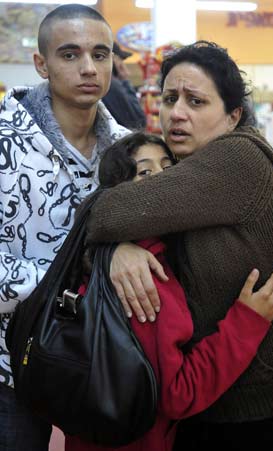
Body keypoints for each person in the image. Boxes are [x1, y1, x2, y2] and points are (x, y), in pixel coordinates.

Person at [84, 41, 273, 449]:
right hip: (211, 396)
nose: (176, 113)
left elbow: (106, 214)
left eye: (196, 101)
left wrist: (109, 242)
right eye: (169, 98)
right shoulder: (186, 166)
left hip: (259, 409)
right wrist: (116, 251)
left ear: (233, 115)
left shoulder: (238, 159)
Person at [66, 131, 273, 451]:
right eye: (145, 172)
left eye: (170, 169)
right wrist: (248, 321)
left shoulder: (146, 255)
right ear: (119, 195)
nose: (164, 182)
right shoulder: (143, 280)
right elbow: (178, 395)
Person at [0, 4, 143, 450]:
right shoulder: (5, 143)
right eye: (70, 54)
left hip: (98, 360)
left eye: (100, 54)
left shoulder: (128, 150)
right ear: (41, 63)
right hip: (9, 362)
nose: (88, 68)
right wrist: (67, 285)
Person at [102, 42, 147, 130]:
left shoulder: (109, 83)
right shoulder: (111, 85)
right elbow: (139, 121)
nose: (123, 63)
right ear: (113, 59)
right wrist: (125, 80)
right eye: (121, 59)